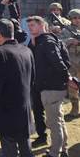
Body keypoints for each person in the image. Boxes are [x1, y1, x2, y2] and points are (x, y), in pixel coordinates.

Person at [27, 16, 75, 157]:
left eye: (33, 25)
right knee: (58, 120)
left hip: (51, 88)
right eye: (29, 26)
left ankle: (55, 153)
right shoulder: (40, 41)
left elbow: (58, 63)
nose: (30, 28)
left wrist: (68, 78)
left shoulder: (47, 42)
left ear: (42, 26)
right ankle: (63, 149)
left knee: (54, 123)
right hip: (49, 87)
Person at [0, 19, 35, 157]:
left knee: (9, 150)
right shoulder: (27, 50)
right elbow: (32, 78)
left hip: (6, 109)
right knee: (26, 147)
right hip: (24, 106)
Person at [61, 9, 80, 118]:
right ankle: (75, 108)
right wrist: (70, 41)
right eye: (74, 18)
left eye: (79, 18)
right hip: (72, 62)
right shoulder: (66, 30)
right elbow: (60, 42)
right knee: (72, 86)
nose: (77, 20)